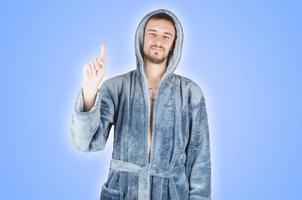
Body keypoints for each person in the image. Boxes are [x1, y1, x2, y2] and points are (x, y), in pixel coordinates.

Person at [70, 8, 211, 200]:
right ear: (141, 38)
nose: (159, 41)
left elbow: (199, 157)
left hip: (171, 193)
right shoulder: (116, 87)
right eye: (152, 33)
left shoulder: (190, 92)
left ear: (174, 44)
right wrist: (90, 90)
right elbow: (86, 143)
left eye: (166, 36)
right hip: (122, 192)